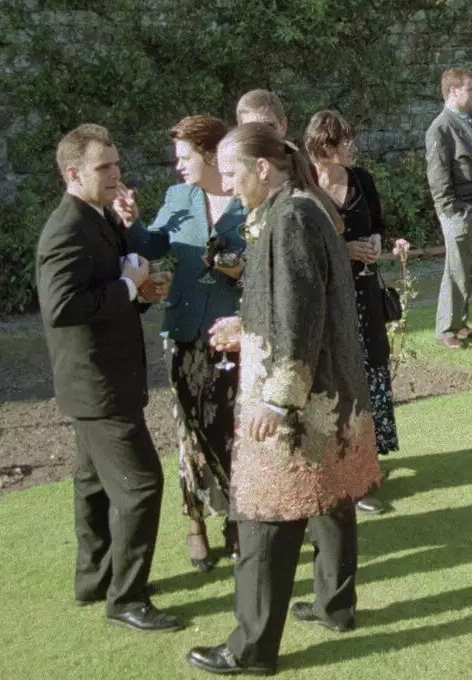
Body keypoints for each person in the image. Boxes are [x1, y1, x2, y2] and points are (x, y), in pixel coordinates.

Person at [186, 124, 382, 678]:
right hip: (329, 391)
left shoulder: (291, 217)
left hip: (299, 397)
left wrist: (277, 403)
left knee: (265, 514)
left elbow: (299, 321)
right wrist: (247, 326)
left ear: (264, 168)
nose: (225, 185)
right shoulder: (304, 206)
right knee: (331, 496)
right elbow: (298, 304)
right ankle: (334, 606)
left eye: (231, 174)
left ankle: (251, 649)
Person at [36, 124, 179, 633]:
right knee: (141, 486)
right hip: (97, 383)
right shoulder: (66, 230)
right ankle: (127, 598)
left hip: (104, 377)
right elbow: (61, 307)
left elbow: (110, 281)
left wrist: (139, 289)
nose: (117, 175)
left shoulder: (97, 217)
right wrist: (126, 284)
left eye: (117, 164)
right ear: (74, 174)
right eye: (105, 168)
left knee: (93, 483)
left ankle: (94, 578)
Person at [113, 115, 247, 572]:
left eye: (184, 157)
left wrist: (232, 264)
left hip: (231, 332)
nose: (178, 166)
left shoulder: (245, 198)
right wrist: (131, 223)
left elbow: (256, 262)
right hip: (185, 331)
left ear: (210, 154)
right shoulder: (178, 197)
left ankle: (236, 518)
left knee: (232, 430)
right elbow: (151, 245)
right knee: (188, 431)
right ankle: (194, 524)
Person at [306, 110, 399, 515]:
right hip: (329, 301)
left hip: (365, 294)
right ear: (324, 147)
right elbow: (306, 246)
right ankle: (343, 474)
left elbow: (377, 222)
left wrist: (376, 244)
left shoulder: (362, 180)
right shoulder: (305, 187)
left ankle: (365, 466)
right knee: (339, 381)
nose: (353, 147)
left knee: (369, 375)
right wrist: (342, 252)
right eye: (344, 141)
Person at [425, 69, 472, 351]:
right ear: (453, 91)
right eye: (470, 89)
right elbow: (437, 176)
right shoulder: (440, 128)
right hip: (459, 210)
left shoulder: (469, 120)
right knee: (456, 270)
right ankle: (445, 328)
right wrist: (451, 211)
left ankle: (460, 324)